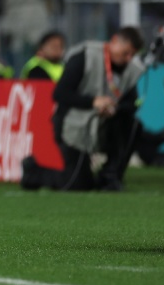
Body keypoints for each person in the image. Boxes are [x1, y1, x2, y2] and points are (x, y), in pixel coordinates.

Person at [21, 26, 146, 192]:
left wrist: (114, 108)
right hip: (73, 124)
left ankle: (110, 176)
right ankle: (33, 173)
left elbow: (131, 103)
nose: (128, 58)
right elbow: (60, 93)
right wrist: (93, 102)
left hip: (102, 125)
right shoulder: (85, 56)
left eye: (132, 54)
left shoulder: (130, 69)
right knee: (77, 185)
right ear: (114, 41)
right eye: (125, 52)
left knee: (133, 124)